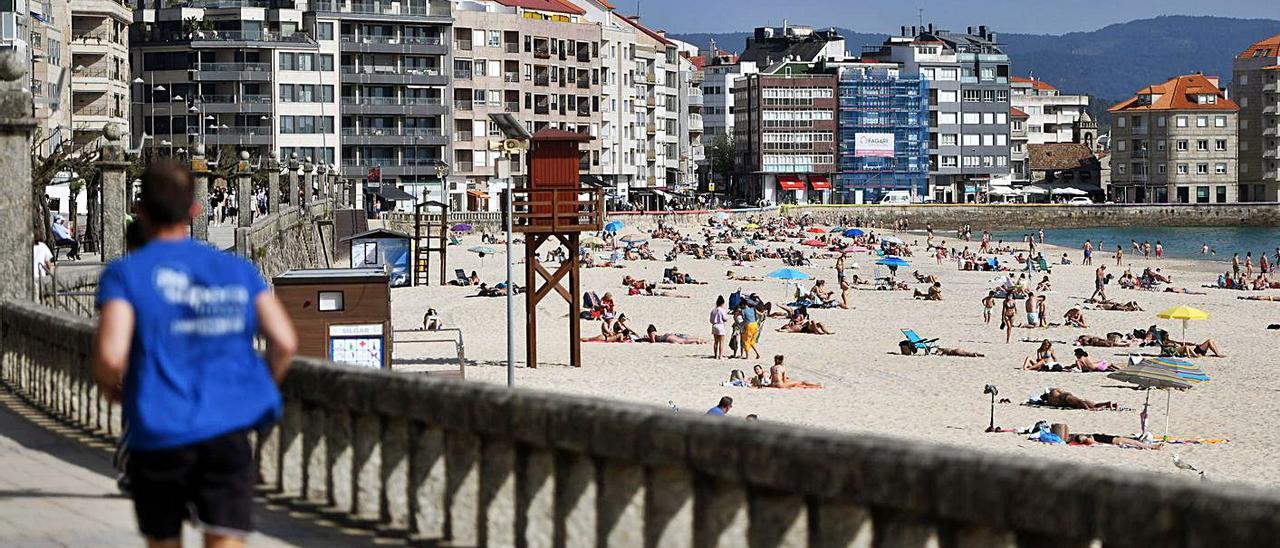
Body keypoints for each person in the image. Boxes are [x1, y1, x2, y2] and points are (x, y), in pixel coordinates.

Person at [93, 163, 298, 547]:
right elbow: (285, 342)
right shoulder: (238, 270)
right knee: (224, 539)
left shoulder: (126, 274)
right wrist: (253, 391)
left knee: (164, 540)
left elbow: (110, 355)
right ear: (195, 210)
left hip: (159, 429)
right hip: (227, 429)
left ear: (140, 209)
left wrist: (111, 388)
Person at [1038, 388, 1118, 410]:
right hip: (1065, 397)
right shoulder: (1053, 391)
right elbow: (1062, 391)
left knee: (1082, 403)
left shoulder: (1049, 402)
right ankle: (1108, 404)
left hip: (1065, 400)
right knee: (1084, 402)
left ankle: (1090, 409)